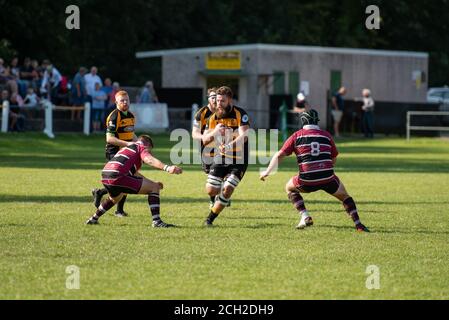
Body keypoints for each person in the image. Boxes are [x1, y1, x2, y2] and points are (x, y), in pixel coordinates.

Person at [259, 109, 369, 232]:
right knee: (345, 196)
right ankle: (359, 225)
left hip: (307, 180)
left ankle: (305, 215)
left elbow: (279, 155)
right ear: (317, 121)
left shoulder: (296, 136)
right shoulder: (326, 135)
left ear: (302, 121)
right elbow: (334, 157)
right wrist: (325, 168)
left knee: (289, 188)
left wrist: (267, 172)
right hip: (327, 178)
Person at [86, 135, 182, 227]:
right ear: (147, 145)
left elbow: (135, 174)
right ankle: (157, 221)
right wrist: (167, 168)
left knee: (116, 197)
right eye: (150, 150)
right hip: (118, 175)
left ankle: (93, 219)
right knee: (154, 188)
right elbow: (149, 160)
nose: (150, 152)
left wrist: (151, 183)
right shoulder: (141, 147)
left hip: (105, 175)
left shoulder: (126, 148)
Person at [201, 86, 250, 226]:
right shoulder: (213, 117)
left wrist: (229, 146)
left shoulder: (240, 113)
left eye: (222, 101)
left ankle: (210, 219)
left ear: (230, 100)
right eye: (217, 101)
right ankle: (220, 190)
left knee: (228, 189)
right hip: (220, 158)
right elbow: (205, 140)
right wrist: (215, 132)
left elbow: (244, 136)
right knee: (211, 189)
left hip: (239, 159)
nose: (218, 104)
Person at [91, 90, 137, 217]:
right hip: (114, 152)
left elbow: (131, 133)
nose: (125, 102)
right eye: (122, 100)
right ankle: (118, 210)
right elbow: (109, 139)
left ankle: (101, 193)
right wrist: (128, 144)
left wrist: (138, 144)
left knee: (126, 178)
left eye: (127, 100)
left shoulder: (131, 116)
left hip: (127, 152)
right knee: (123, 179)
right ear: (116, 102)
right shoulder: (114, 117)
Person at [192, 87, 219, 207]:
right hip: (207, 149)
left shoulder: (223, 111)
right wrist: (204, 138)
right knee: (211, 176)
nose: (214, 99)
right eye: (212, 97)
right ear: (208, 99)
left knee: (224, 171)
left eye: (216, 97)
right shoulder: (200, 114)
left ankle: (222, 195)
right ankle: (213, 198)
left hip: (223, 148)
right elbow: (194, 133)